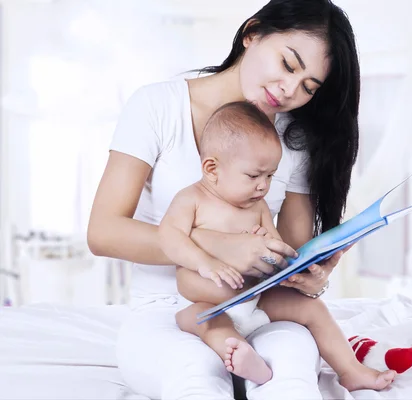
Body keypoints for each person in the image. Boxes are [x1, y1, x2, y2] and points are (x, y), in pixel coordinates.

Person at [87, 0, 362, 398]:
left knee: (291, 371)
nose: (290, 90)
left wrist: (309, 274)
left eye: (308, 87)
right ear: (252, 33)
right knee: (195, 374)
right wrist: (220, 248)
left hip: (259, 306)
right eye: (288, 64)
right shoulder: (158, 106)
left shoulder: (295, 139)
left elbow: (290, 248)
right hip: (170, 309)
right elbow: (103, 232)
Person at [159, 101, 396, 390]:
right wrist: (205, 263)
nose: (263, 186)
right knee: (211, 326)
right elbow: (169, 238)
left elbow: (276, 249)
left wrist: (285, 254)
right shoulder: (191, 200)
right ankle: (242, 360)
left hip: (256, 301)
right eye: (254, 176)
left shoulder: (256, 206)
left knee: (314, 309)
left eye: (270, 176)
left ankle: (350, 370)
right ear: (212, 169)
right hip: (207, 305)